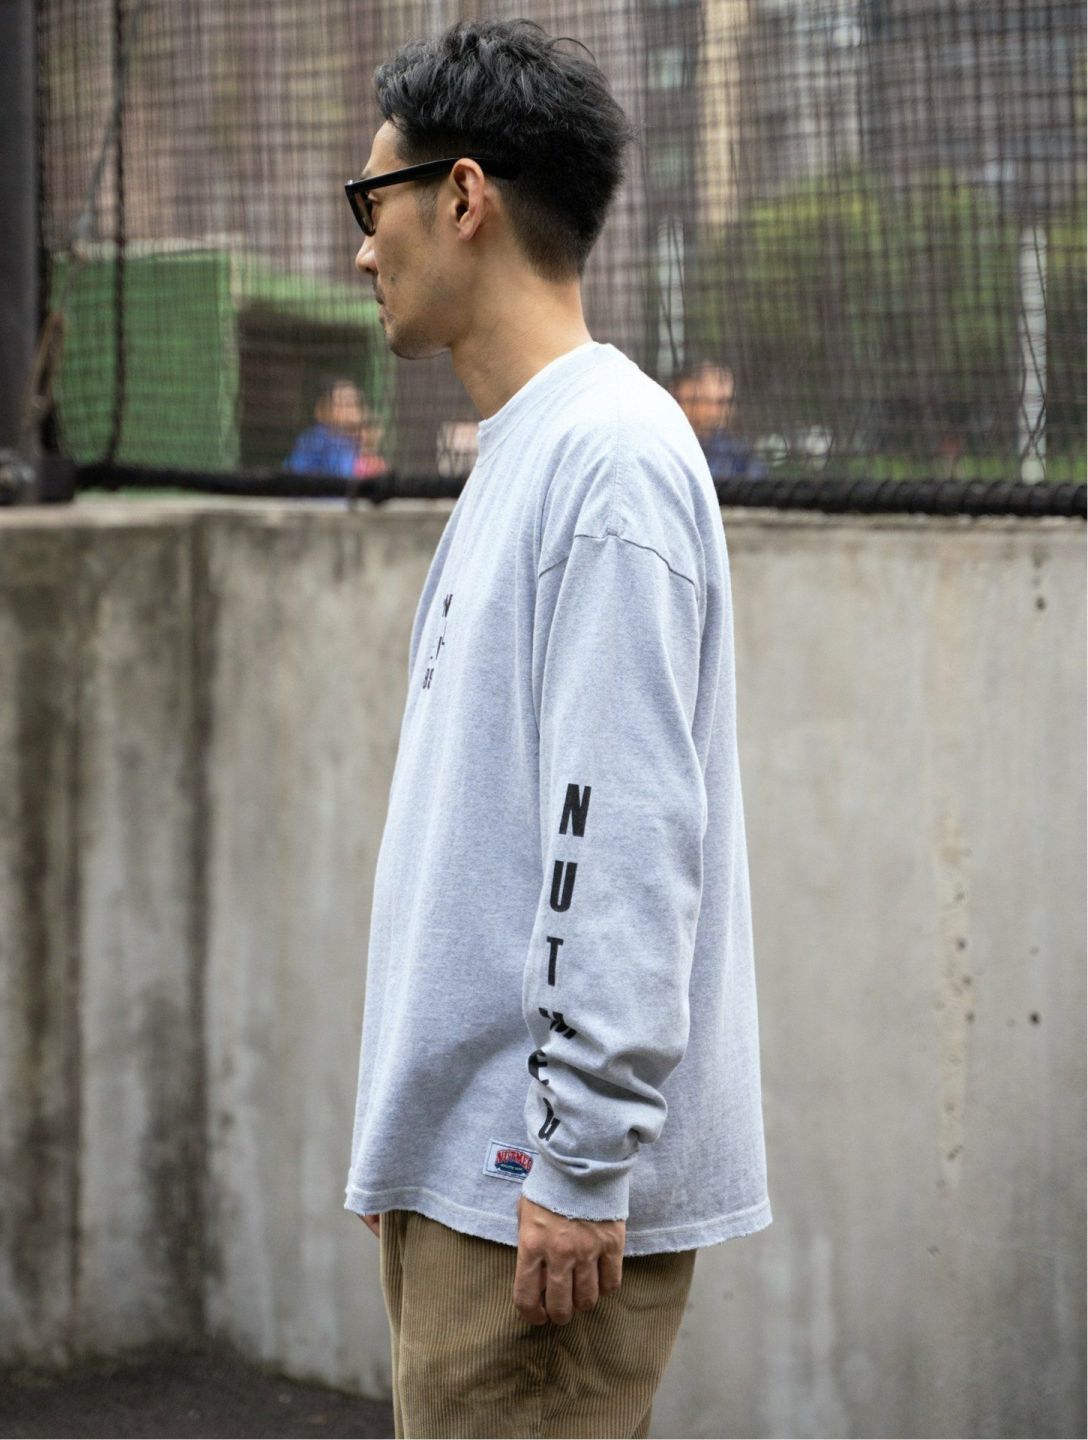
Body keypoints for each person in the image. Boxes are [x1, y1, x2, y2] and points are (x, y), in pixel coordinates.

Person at [342, 20, 771, 1438]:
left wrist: (578, 1165)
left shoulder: (608, 462)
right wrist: (411, 1144)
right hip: (484, 1179)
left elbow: (624, 832)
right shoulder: (537, 449)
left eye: (374, 201)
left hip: (533, 1202)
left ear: (462, 198)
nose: (363, 250)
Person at [672, 361, 766, 482]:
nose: (724, 410)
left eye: (727, 401)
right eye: (717, 402)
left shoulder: (739, 455)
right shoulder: (666, 443)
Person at [284, 375, 387, 479]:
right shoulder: (316, 439)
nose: (351, 410)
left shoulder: (355, 439)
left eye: (354, 402)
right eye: (344, 403)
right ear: (324, 409)